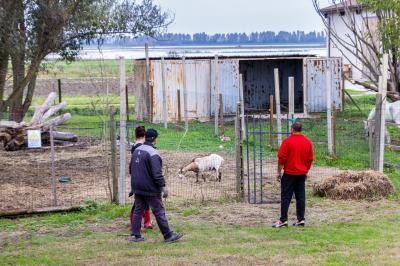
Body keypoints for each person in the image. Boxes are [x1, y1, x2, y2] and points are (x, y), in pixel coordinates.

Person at [130, 128, 182, 243]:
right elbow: (157, 173)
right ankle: (168, 236)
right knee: (158, 210)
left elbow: (131, 169)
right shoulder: (153, 153)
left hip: (137, 186)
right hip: (150, 188)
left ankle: (135, 235)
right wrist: (163, 187)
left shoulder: (136, 150)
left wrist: (134, 185)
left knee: (138, 210)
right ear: (154, 139)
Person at [272, 122, 314, 228]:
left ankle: (283, 220)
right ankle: (301, 219)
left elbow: (281, 158)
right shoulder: (307, 142)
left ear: (292, 129)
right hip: (301, 174)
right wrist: (306, 171)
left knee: (286, 196)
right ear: (300, 129)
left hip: (289, 173)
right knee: (300, 197)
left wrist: (278, 172)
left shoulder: (287, 141)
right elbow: (310, 159)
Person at [129, 126, 153, 230]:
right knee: (139, 203)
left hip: (136, 176)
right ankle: (139, 223)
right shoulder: (139, 147)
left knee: (142, 201)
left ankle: (146, 222)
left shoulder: (134, 145)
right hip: (141, 176)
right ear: (144, 135)